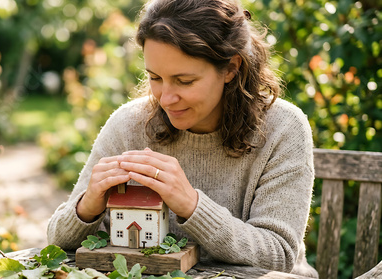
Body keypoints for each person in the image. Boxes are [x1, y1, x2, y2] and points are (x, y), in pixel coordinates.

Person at [47, 0, 318, 277]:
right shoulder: (129, 125)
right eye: (154, 77)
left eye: (185, 81)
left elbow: (278, 256)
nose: (166, 98)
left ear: (231, 68)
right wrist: (86, 209)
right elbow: (58, 241)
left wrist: (191, 205)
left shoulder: (283, 128)